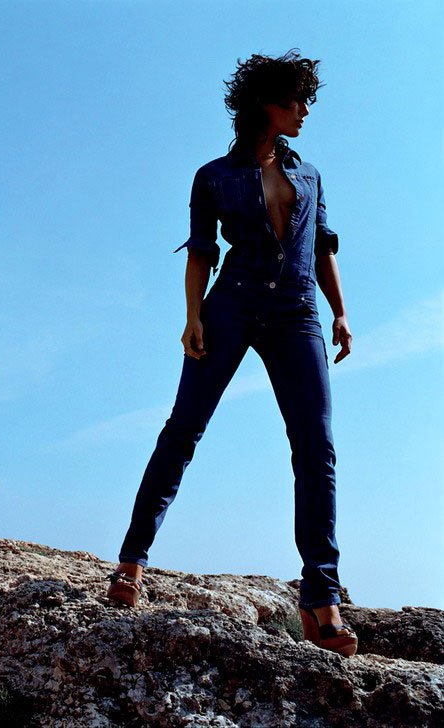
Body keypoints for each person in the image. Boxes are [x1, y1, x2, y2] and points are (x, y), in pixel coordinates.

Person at [104, 50, 358, 658]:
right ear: (266, 103)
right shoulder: (213, 176)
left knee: (316, 448)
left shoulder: (309, 174)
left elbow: (322, 247)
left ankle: (321, 597)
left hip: (297, 312)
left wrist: (341, 311)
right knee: (183, 429)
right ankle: (132, 561)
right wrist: (192, 315)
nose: (304, 110)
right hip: (231, 306)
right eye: (296, 100)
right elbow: (201, 250)